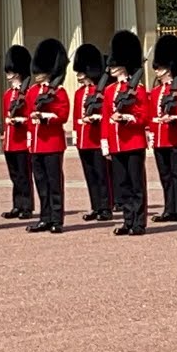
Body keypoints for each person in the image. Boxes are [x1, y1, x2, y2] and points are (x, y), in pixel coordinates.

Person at [102, 30, 149, 235]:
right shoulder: (109, 91)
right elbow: (106, 118)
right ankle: (127, 221)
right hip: (116, 143)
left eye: (114, 65)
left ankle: (139, 222)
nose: (111, 69)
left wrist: (129, 118)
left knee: (136, 184)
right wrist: (106, 144)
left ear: (122, 66)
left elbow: (144, 115)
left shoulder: (137, 89)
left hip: (134, 142)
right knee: (122, 185)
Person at [26, 39, 69, 234]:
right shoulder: (32, 92)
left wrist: (45, 117)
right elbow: (28, 117)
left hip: (52, 143)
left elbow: (62, 116)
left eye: (40, 71)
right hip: (36, 144)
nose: (36, 75)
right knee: (41, 183)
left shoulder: (58, 92)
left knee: (54, 183)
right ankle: (44, 217)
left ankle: (56, 219)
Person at [149, 35, 177, 224]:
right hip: (159, 138)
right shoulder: (156, 91)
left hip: (173, 137)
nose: (157, 71)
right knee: (165, 176)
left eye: (159, 67)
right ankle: (169, 208)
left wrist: (173, 118)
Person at [71, 44, 111, 222]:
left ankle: (105, 208)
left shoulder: (100, 92)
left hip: (95, 138)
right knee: (90, 176)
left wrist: (96, 118)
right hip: (84, 140)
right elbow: (75, 115)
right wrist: (75, 134)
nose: (79, 76)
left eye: (81, 72)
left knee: (102, 175)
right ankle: (95, 206)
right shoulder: (80, 93)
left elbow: (106, 113)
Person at [0, 45, 34, 220]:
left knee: (24, 175)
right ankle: (17, 204)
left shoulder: (28, 93)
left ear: (18, 72)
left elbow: (30, 117)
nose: (9, 75)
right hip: (10, 141)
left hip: (22, 141)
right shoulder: (8, 95)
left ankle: (27, 206)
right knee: (14, 176)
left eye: (11, 71)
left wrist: (21, 121)